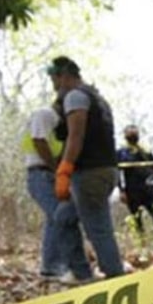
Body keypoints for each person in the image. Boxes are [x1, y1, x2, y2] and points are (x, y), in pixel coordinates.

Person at [48, 55, 125, 277]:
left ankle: (115, 278)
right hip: (106, 169)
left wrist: (65, 168)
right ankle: (80, 273)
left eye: (55, 80)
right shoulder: (97, 98)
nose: (54, 86)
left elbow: (76, 135)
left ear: (64, 76)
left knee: (98, 229)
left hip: (90, 172)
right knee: (63, 218)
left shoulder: (75, 97)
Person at [23, 104, 93, 282]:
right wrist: (58, 170)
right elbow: (39, 141)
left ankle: (53, 267)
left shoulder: (62, 123)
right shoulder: (45, 114)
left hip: (50, 174)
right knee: (62, 216)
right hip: (42, 174)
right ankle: (64, 268)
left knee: (56, 218)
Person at [115, 124, 153, 239]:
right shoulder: (121, 153)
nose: (133, 135)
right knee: (136, 219)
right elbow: (117, 173)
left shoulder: (145, 150)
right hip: (132, 190)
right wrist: (121, 191)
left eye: (135, 133)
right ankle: (141, 241)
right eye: (130, 133)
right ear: (125, 136)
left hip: (149, 189)